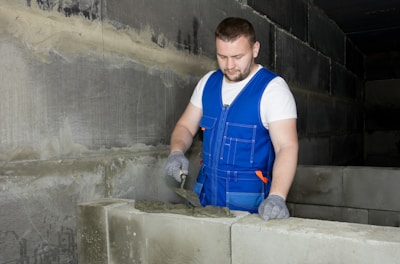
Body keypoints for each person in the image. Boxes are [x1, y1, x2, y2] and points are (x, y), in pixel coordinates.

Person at [165, 17, 298, 221]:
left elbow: (286, 146)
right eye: (222, 56)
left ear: (255, 49)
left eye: (237, 56)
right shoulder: (208, 83)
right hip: (204, 201)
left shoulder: (273, 90)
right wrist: (176, 152)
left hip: (248, 208)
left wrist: (277, 196)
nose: (229, 65)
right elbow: (185, 126)